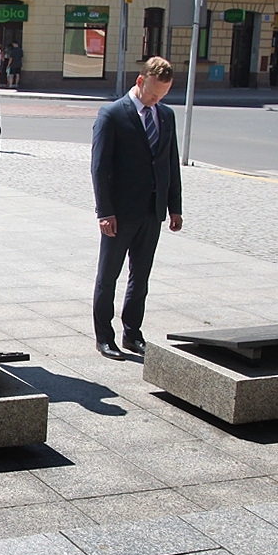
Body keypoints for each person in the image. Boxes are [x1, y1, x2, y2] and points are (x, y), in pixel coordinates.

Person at [90, 55, 183, 360]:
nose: (157, 100)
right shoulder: (112, 115)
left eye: (163, 95)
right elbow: (99, 168)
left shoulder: (165, 116)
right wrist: (104, 212)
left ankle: (133, 333)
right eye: (153, 94)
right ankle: (105, 337)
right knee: (108, 277)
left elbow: (170, 165)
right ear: (140, 81)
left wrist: (174, 207)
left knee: (140, 277)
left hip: (151, 211)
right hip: (120, 213)